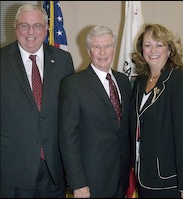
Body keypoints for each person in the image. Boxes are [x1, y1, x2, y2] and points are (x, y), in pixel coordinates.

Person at [0, 3, 75, 198]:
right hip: (11, 170)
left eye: (37, 26)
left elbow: (70, 115)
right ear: (15, 27)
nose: (30, 32)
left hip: (53, 171)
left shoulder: (63, 60)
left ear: (47, 28)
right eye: (24, 25)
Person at [58, 25, 132, 198]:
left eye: (107, 46)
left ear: (114, 48)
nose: (103, 52)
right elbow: (68, 138)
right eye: (96, 47)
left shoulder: (123, 81)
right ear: (88, 50)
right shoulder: (73, 85)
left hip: (121, 178)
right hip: (91, 182)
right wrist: (78, 183)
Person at [130, 24, 183, 198]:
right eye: (147, 45)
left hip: (171, 182)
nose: (153, 50)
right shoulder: (139, 83)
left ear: (169, 50)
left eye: (159, 45)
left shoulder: (180, 83)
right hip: (145, 177)